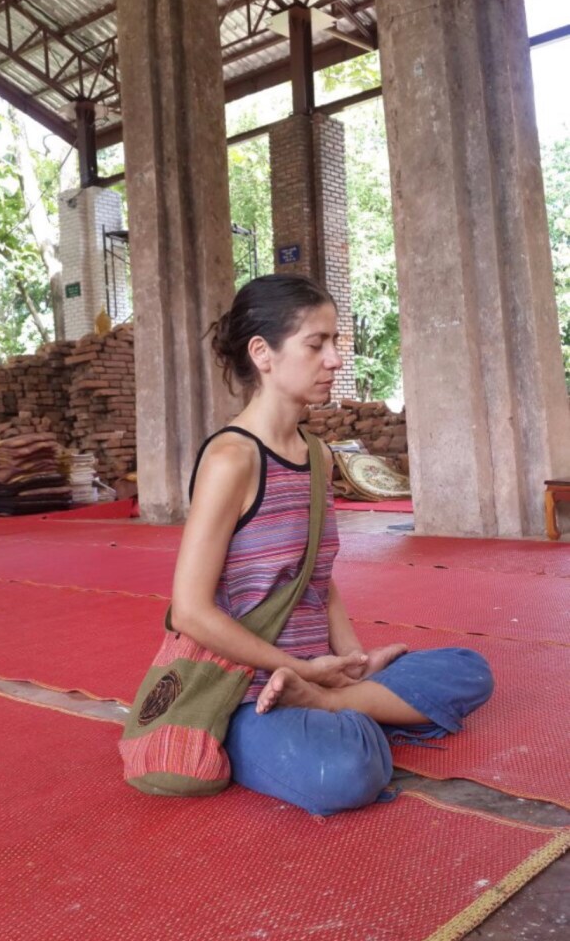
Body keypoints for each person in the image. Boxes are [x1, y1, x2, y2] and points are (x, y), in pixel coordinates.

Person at [170, 274, 493, 816]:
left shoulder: (317, 455)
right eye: (316, 344)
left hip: (320, 676)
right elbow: (190, 611)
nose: (335, 359)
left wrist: (350, 660)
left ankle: (337, 703)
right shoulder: (231, 459)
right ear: (262, 353)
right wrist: (294, 669)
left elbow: (317, 577)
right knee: (346, 772)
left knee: (469, 667)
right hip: (252, 691)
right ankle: (349, 712)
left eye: (335, 342)